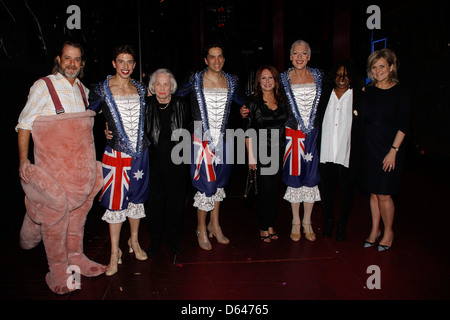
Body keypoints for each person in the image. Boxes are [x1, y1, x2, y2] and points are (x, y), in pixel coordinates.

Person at [16, 41, 106, 294]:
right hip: (53, 175)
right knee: (55, 217)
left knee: (77, 216)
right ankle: (57, 268)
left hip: (79, 176)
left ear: (82, 64)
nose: (71, 64)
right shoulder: (43, 87)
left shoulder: (83, 90)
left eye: (77, 60)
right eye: (67, 58)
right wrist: (24, 160)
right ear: (59, 59)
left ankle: (75, 255)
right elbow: (24, 124)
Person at [89, 45, 150, 275]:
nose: (125, 66)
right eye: (121, 61)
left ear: (134, 65)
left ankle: (134, 241)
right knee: (116, 203)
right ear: (113, 63)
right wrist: (102, 132)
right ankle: (114, 253)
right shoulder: (102, 89)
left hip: (140, 154)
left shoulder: (141, 89)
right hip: (115, 155)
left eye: (129, 62)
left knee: (137, 199)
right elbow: (89, 114)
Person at [177, 43, 244, 250]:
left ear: (224, 59)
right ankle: (201, 228)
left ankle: (215, 224)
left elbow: (243, 101)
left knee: (219, 183)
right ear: (205, 60)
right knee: (205, 185)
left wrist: (246, 109)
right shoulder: (195, 80)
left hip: (224, 139)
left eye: (220, 57)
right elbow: (174, 95)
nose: (217, 61)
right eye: (212, 57)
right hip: (200, 139)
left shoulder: (231, 81)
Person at [360, 48, 410, 251]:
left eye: (382, 66)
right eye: (374, 66)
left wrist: (393, 151)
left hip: (389, 149)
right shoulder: (367, 91)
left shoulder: (401, 93)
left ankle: (388, 231)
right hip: (369, 148)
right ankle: (374, 230)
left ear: (391, 67)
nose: (378, 70)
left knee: (384, 194)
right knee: (373, 193)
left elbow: (404, 126)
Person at [279, 40, 323, 242]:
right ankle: (295, 221)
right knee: (295, 177)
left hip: (313, 135)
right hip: (293, 135)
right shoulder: (282, 78)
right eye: (295, 53)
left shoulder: (320, 76)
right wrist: (246, 110)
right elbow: (267, 97)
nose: (299, 57)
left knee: (311, 177)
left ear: (309, 56)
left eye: (303, 53)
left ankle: (308, 221)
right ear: (290, 56)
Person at [145, 68, 190, 255]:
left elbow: (193, 129)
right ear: (153, 87)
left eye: (166, 84)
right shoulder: (145, 105)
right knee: (155, 204)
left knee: (176, 203)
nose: (162, 88)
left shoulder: (182, 104)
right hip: (153, 160)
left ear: (172, 87)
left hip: (177, 160)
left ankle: (174, 239)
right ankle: (155, 240)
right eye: (158, 84)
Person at [316, 61, 362, 241]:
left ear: (351, 78)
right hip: (326, 151)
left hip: (347, 153)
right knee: (325, 191)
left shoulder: (358, 96)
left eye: (346, 74)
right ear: (333, 76)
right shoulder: (325, 95)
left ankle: (342, 225)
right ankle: (329, 222)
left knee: (347, 192)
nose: (342, 78)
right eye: (338, 74)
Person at [244, 65, 287, 242]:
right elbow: (248, 130)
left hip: (279, 150)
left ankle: (270, 224)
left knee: (274, 189)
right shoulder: (252, 102)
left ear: (276, 81)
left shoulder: (282, 99)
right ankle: (263, 226)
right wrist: (251, 156)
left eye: (271, 78)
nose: (267, 81)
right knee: (264, 189)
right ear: (258, 81)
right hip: (262, 151)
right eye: (264, 78)